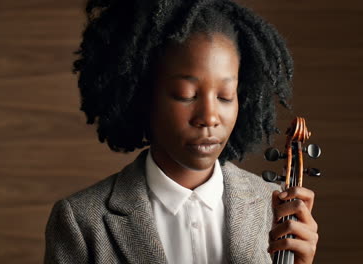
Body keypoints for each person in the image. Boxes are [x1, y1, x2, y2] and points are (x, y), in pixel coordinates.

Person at [44, 0, 318, 263]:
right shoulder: (81, 222)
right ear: (143, 96)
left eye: (225, 96)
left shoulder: (276, 209)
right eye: (185, 95)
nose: (209, 117)